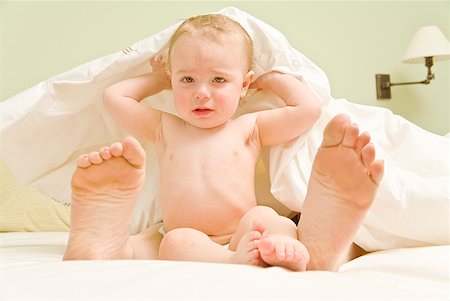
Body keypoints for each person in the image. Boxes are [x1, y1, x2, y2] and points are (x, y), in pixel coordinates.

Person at [63, 14, 384, 272]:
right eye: (187, 79)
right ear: (173, 80)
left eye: (218, 80)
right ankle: (107, 246)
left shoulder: (250, 127)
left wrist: (270, 79)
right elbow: (114, 98)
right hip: (189, 235)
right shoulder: (166, 127)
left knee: (270, 220)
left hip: (244, 231)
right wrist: (160, 78)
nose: (201, 92)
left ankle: (310, 248)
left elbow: (308, 110)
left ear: (243, 85)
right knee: (172, 242)